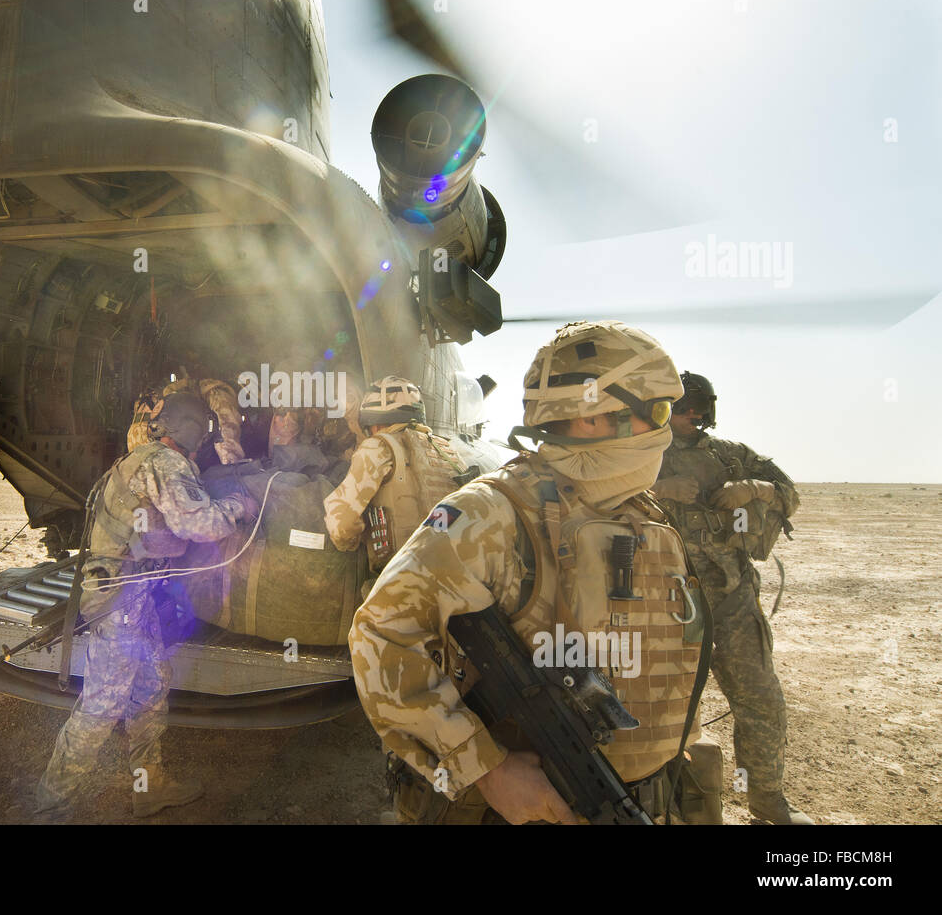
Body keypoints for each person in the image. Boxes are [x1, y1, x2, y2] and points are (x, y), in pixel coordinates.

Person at [349, 322, 720, 825]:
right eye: (658, 412)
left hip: (652, 795)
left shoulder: (643, 510)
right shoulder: (492, 512)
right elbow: (380, 635)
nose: (666, 429)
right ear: (590, 417)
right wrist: (486, 770)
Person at [36, 392, 252, 818]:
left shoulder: (147, 456)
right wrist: (239, 506)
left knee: (152, 684)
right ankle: (49, 800)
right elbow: (200, 524)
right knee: (104, 701)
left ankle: (148, 785)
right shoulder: (164, 463)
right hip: (120, 593)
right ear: (191, 430)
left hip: (134, 591)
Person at [651, 372, 809, 825]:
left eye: (698, 407)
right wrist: (660, 488)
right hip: (666, 603)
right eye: (682, 407)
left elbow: (789, 493)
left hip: (733, 599)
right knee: (664, 708)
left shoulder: (731, 455)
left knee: (761, 700)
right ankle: (666, 802)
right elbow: (596, 497)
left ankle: (767, 799)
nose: (692, 415)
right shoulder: (639, 452)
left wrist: (755, 489)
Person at [323, 376, 466, 577]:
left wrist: (355, 542)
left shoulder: (378, 445)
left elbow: (341, 522)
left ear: (376, 423)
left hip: (405, 580)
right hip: (456, 577)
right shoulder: (448, 452)